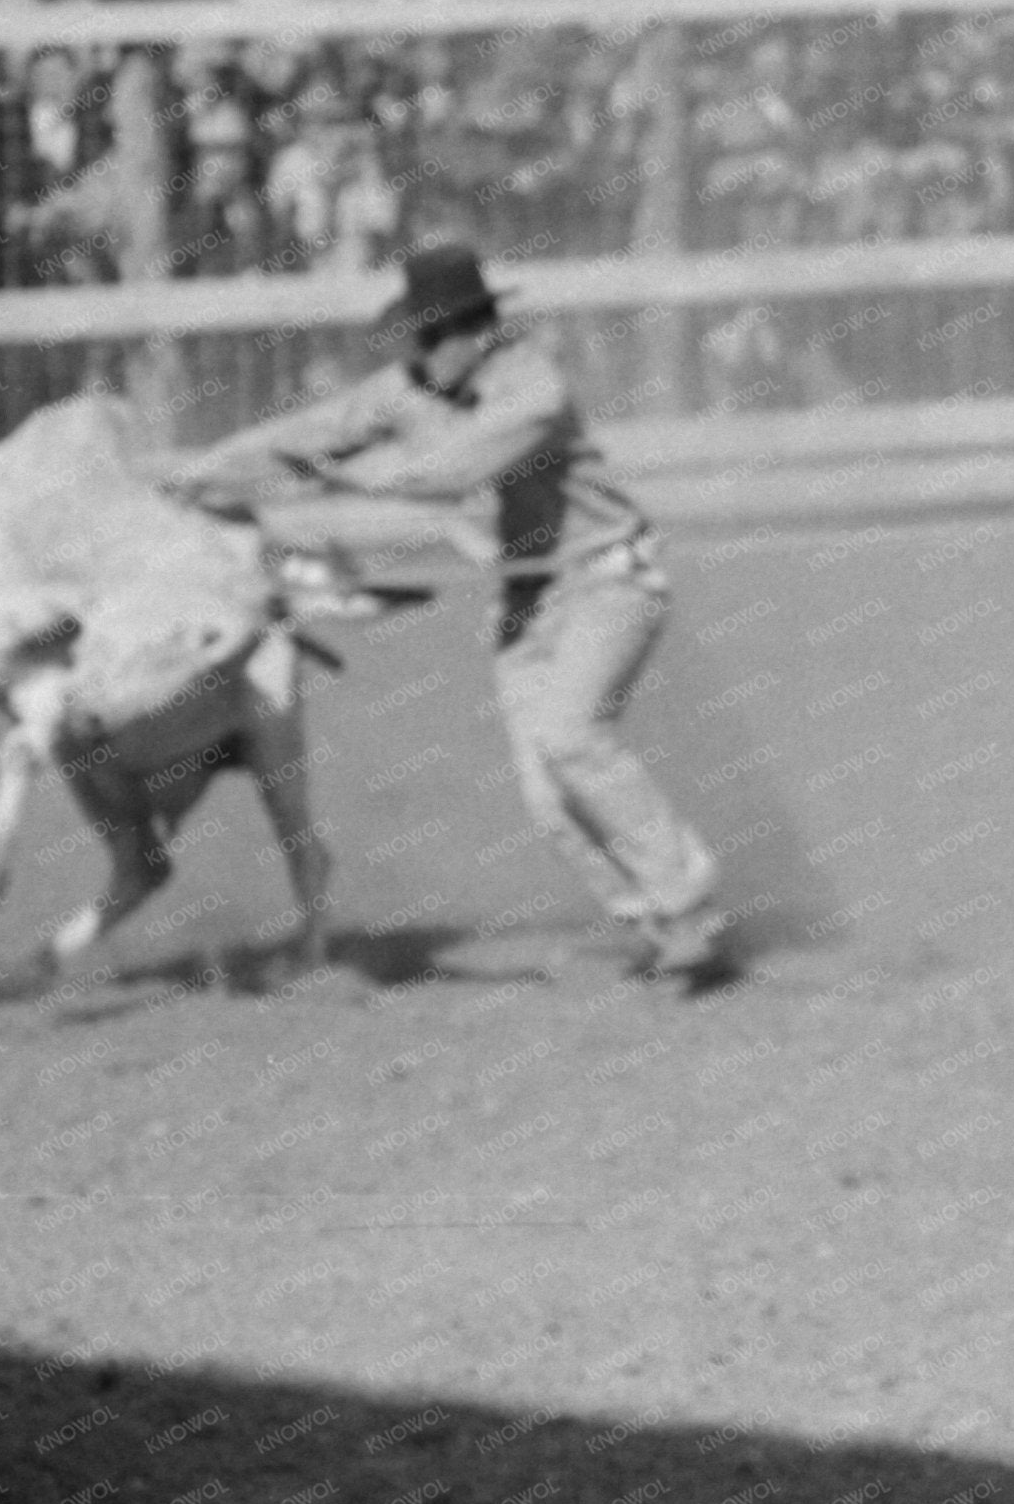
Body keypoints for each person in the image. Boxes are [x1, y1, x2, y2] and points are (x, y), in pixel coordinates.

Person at [165, 242, 735, 985]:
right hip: (530, 599)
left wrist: (345, 474)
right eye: (417, 335)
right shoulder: (411, 387)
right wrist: (200, 475)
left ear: (478, 332)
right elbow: (311, 431)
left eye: (432, 335)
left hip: (606, 583)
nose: (420, 351)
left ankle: (690, 902)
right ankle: (652, 922)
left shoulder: (533, 388)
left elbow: (454, 469)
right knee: (547, 791)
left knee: (569, 735)